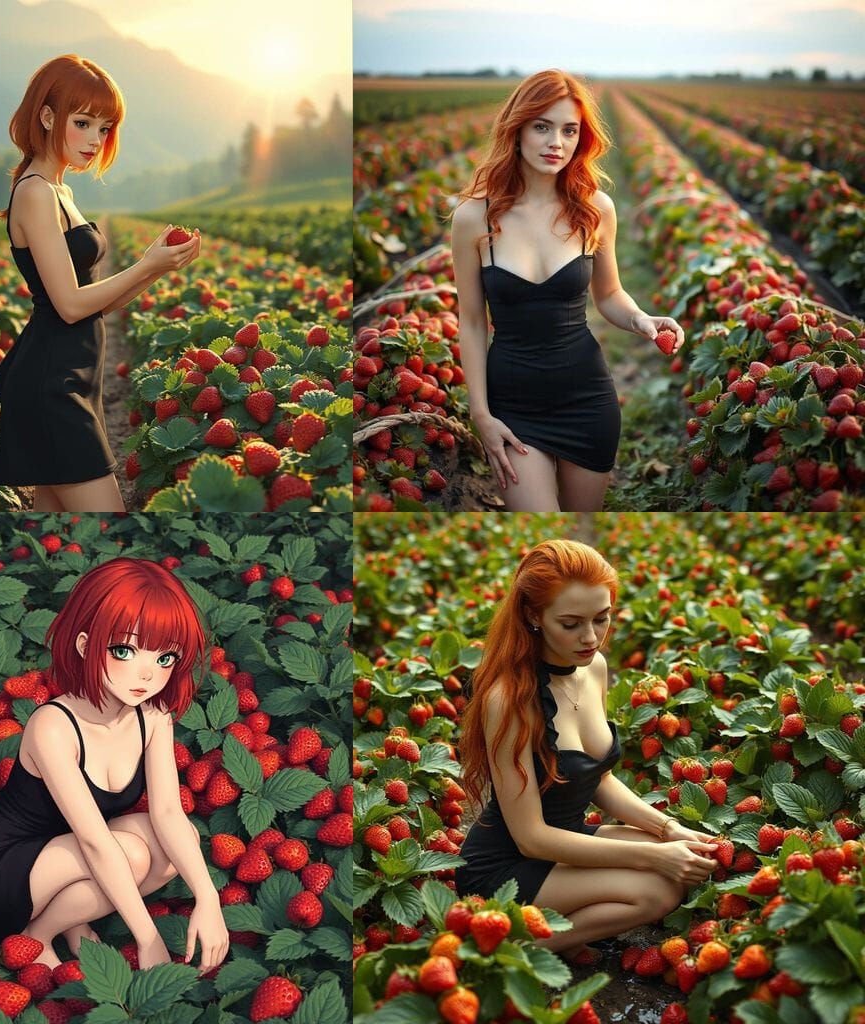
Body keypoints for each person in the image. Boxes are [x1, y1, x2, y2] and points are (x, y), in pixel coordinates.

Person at [0, 557, 229, 974]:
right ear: (85, 646)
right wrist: (148, 939)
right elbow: (97, 843)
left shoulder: (153, 716)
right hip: (0, 870)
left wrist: (209, 899)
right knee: (132, 854)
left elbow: (169, 813)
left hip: (66, 848)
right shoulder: (53, 726)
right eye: (124, 650)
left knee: (178, 843)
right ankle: (36, 935)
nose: (146, 673)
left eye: (165, 657)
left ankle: (56, 923)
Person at [454, 539, 716, 964]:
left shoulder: (593, 668)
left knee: (685, 860)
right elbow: (531, 838)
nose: (590, 637)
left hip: (567, 841)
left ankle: (560, 930)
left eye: (602, 618)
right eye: (571, 623)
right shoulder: (510, 699)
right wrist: (655, 856)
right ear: (533, 615)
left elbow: (599, 779)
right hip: (506, 867)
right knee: (658, 890)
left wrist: (669, 831)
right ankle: (511, 951)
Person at [450, 70, 685, 512]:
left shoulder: (595, 209)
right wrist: (481, 414)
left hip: (587, 398)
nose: (556, 142)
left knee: (581, 522)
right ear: (517, 129)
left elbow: (609, 294)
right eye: (542, 126)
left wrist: (641, 319)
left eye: (569, 130)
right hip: (512, 406)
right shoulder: (474, 218)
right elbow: (473, 322)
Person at [0, 54, 201, 512]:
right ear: (48, 117)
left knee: (57, 538)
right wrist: (145, 266)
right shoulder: (35, 193)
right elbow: (68, 305)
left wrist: (156, 266)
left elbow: (94, 304)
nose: (95, 140)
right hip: (52, 384)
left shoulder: (60, 191)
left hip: (74, 374)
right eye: (82, 123)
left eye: (104, 128)